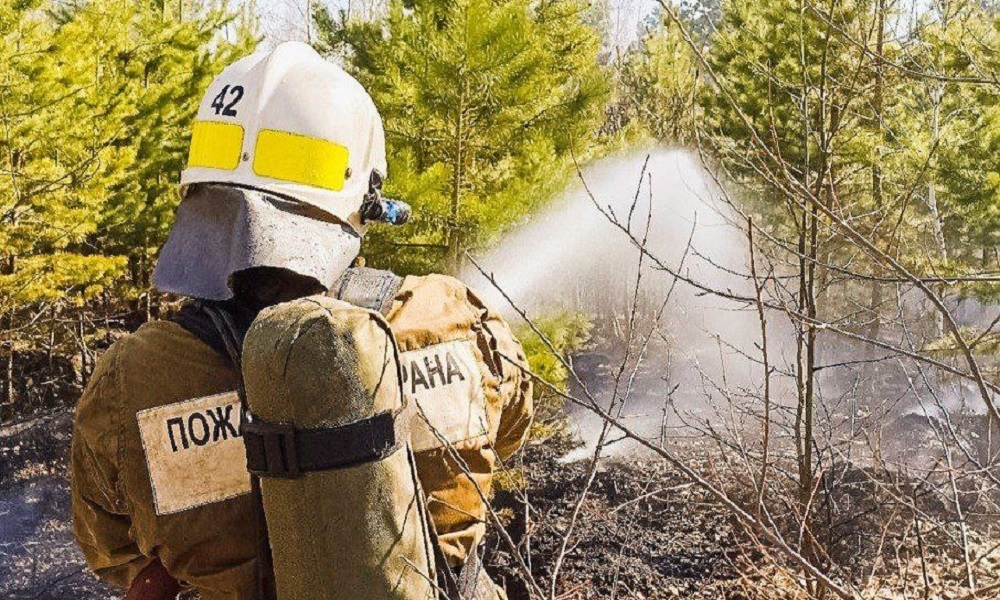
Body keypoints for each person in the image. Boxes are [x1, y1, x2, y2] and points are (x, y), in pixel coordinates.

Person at [70, 41, 533, 600]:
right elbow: (507, 433)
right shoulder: (455, 321)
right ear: (364, 198)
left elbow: (110, 547)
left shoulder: (132, 382)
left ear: (203, 191)